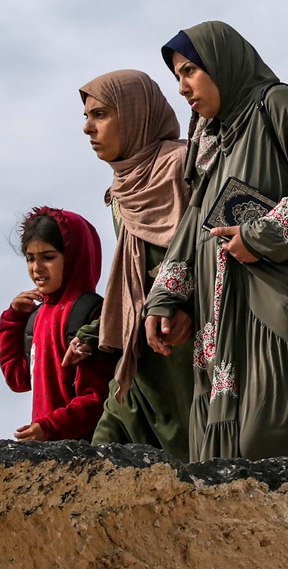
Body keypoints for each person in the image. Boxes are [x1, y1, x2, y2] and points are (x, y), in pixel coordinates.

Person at [144, 20, 288, 461]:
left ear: (221, 63)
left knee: (268, 426)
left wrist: (260, 237)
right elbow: (194, 220)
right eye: (177, 77)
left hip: (282, 293)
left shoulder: (275, 102)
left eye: (190, 71)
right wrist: (167, 298)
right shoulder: (208, 138)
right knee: (221, 446)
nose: (183, 88)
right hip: (221, 305)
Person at [68, 69, 194, 462]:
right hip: (140, 365)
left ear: (136, 114)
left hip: (187, 357)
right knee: (100, 464)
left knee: (200, 470)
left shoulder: (184, 165)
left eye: (101, 115)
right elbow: (131, 277)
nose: (88, 128)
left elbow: (211, 250)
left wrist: (187, 307)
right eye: (87, 117)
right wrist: (93, 333)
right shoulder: (121, 189)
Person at [0, 207, 115, 441]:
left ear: (73, 257)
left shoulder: (90, 314)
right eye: (30, 258)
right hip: (49, 446)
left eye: (48, 257)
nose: (37, 268)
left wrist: (50, 427)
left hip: (87, 448)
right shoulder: (37, 316)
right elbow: (17, 378)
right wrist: (12, 319)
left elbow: (98, 397)